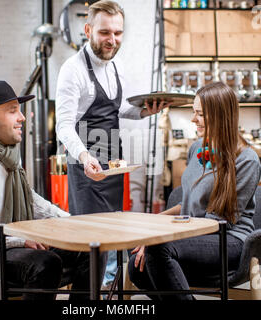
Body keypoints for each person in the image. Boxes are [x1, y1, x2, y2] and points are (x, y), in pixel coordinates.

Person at [0, 80, 100, 300]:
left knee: (91, 248)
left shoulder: (6, 156)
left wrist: (73, 222)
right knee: (46, 263)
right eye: (12, 111)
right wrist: (18, 238)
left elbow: (31, 200)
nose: (22, 118)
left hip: (10, 244)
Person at [55, 0, 170, 291]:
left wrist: (146, 110)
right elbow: (64, 125)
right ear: (88, 29)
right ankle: (86, 301)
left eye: (118, 33)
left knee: (114, 239)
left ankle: (111, 294)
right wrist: (83, 156)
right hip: (87, 169)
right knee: (92, 245)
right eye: (105, 33)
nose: (112, 40)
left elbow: (118, 110)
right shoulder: (73, 70)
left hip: (113, 167)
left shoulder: (113, 67)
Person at [128, 82, 261, 300]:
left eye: (199, 114)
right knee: (136, 264)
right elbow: (189, 204)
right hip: (195, 235)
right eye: (194, 112)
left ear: (220, 116)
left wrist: (158, 237)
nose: (193, 119)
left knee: (157, 249)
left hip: (229, 239)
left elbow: (219, 221)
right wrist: (148, 226)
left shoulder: (246, 160)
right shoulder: (196, 148)